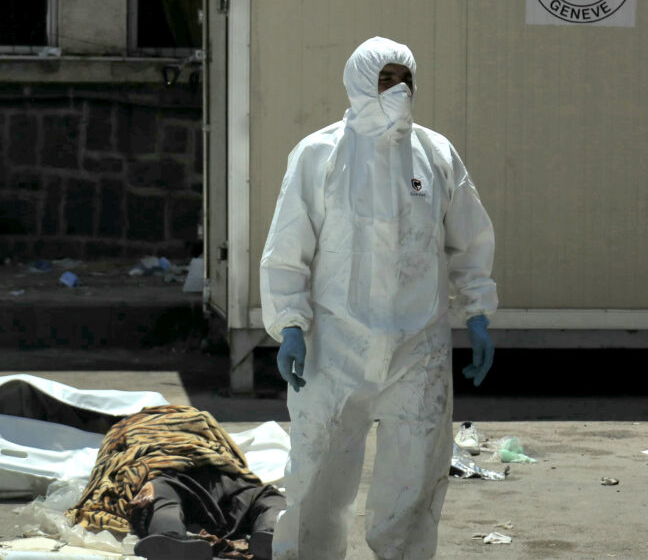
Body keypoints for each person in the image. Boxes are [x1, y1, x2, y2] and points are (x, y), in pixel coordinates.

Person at [259, 36, 497, 560]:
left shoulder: (435, 154)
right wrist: (290, 324)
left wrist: (477, 311)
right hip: (335, 342)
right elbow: (288, 247)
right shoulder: (320, 153)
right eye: (386, 79)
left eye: (405, 80)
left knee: (417, 471)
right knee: (318, 469)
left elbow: (470, 240)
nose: (398, 90)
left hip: (418, 345)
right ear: (359, 81)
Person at [67, 405, 285, 560]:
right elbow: (231, 452)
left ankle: (168, 535)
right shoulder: (197, 416)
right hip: (219, 475)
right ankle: (272, 532)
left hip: (165, 473)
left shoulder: (121, 429)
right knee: (266, 497)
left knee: (162, 498)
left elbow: (107, 467)